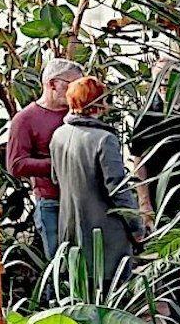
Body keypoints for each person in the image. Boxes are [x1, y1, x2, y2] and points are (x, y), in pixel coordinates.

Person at [49, 76, 148, 289]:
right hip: (105, 237)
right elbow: (117, 188)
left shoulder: (58, 136)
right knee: (110, 302)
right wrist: (136, 227)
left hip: (71, 233)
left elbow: (56, 178)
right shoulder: (104, 139)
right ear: (99, 103)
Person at [4, 57, 84, 257]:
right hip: (51, 202)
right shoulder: (25, 119)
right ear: (52, 84)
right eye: (72, 85)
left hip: (86, 200)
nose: (77, 92)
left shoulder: (80, 114)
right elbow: (16, 164)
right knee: (60, 265)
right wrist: (60, 165)